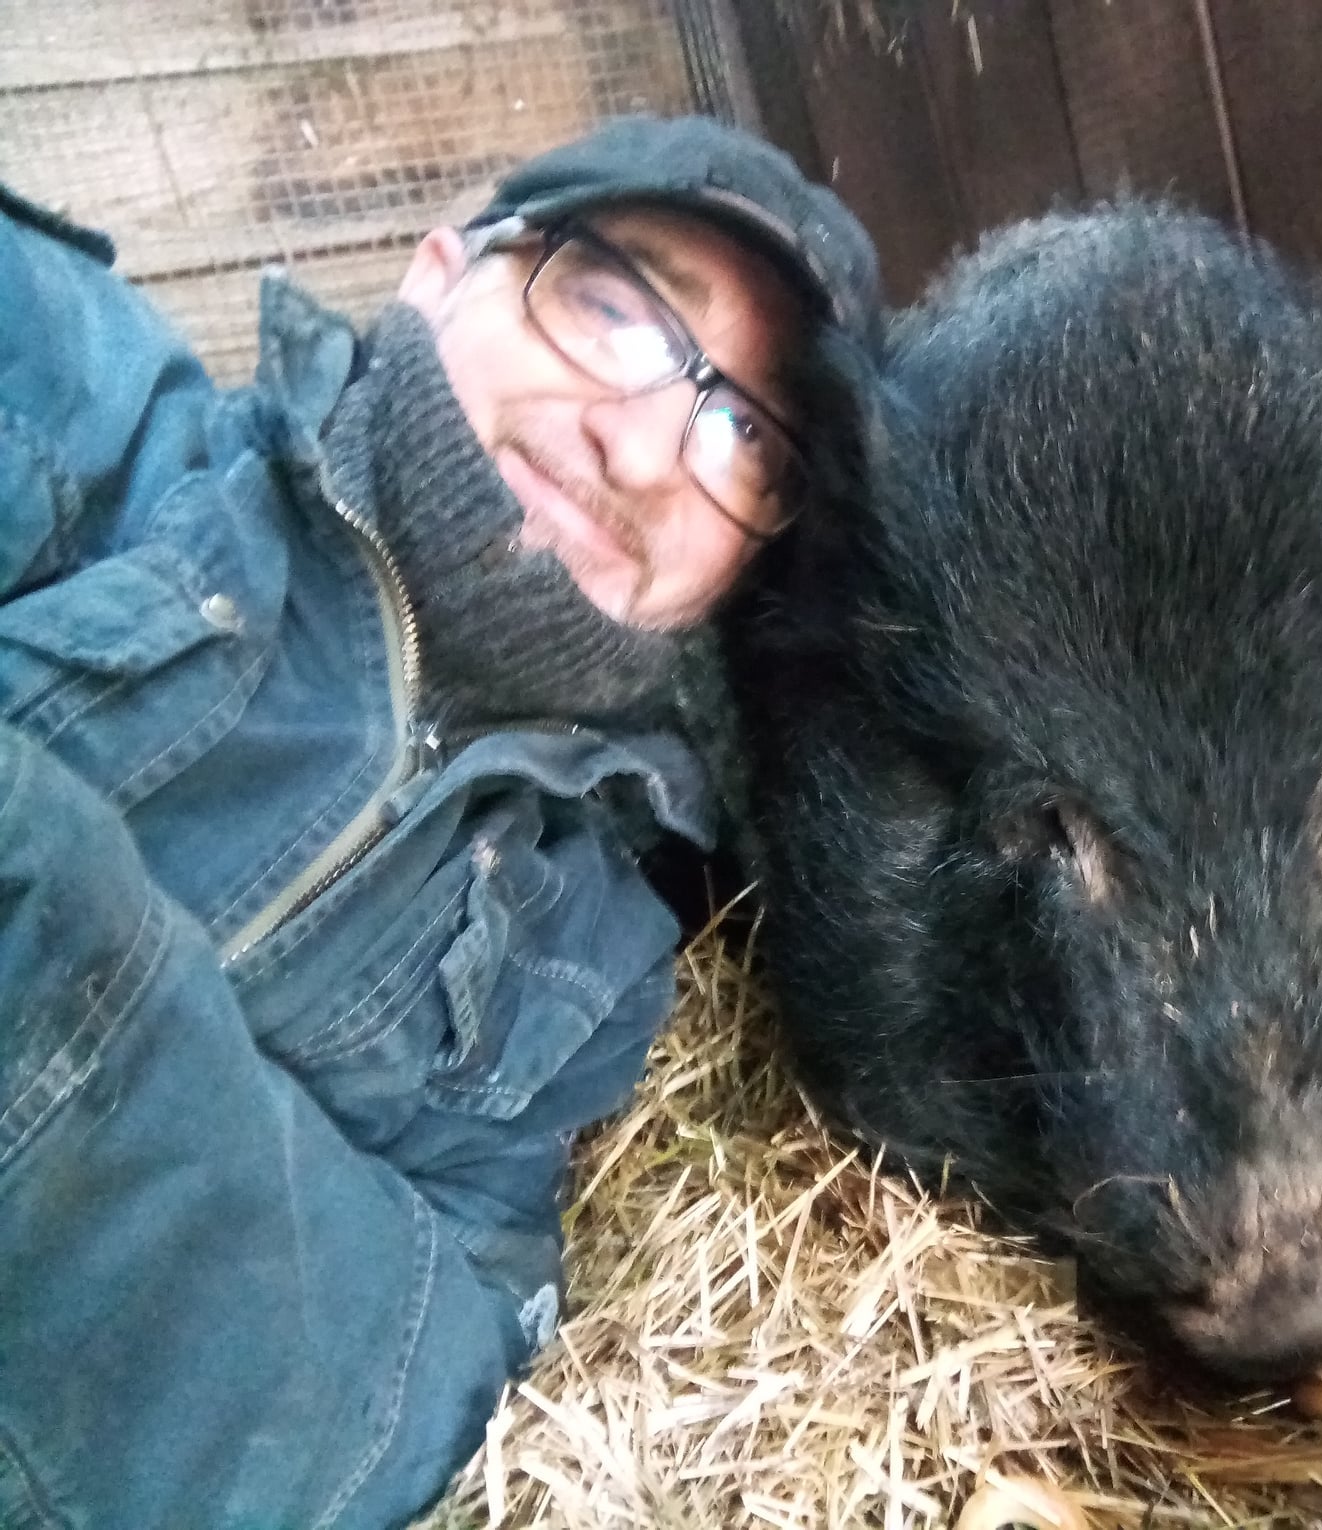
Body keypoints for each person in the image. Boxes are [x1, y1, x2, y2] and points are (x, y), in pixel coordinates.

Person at [0, 115, 877, 1527]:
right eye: (614, 306)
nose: (649, 451)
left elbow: (390, 1409)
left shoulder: (589, 958)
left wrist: (58, 942)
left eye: (750, 442)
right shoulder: (75, 408)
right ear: (434, 270)